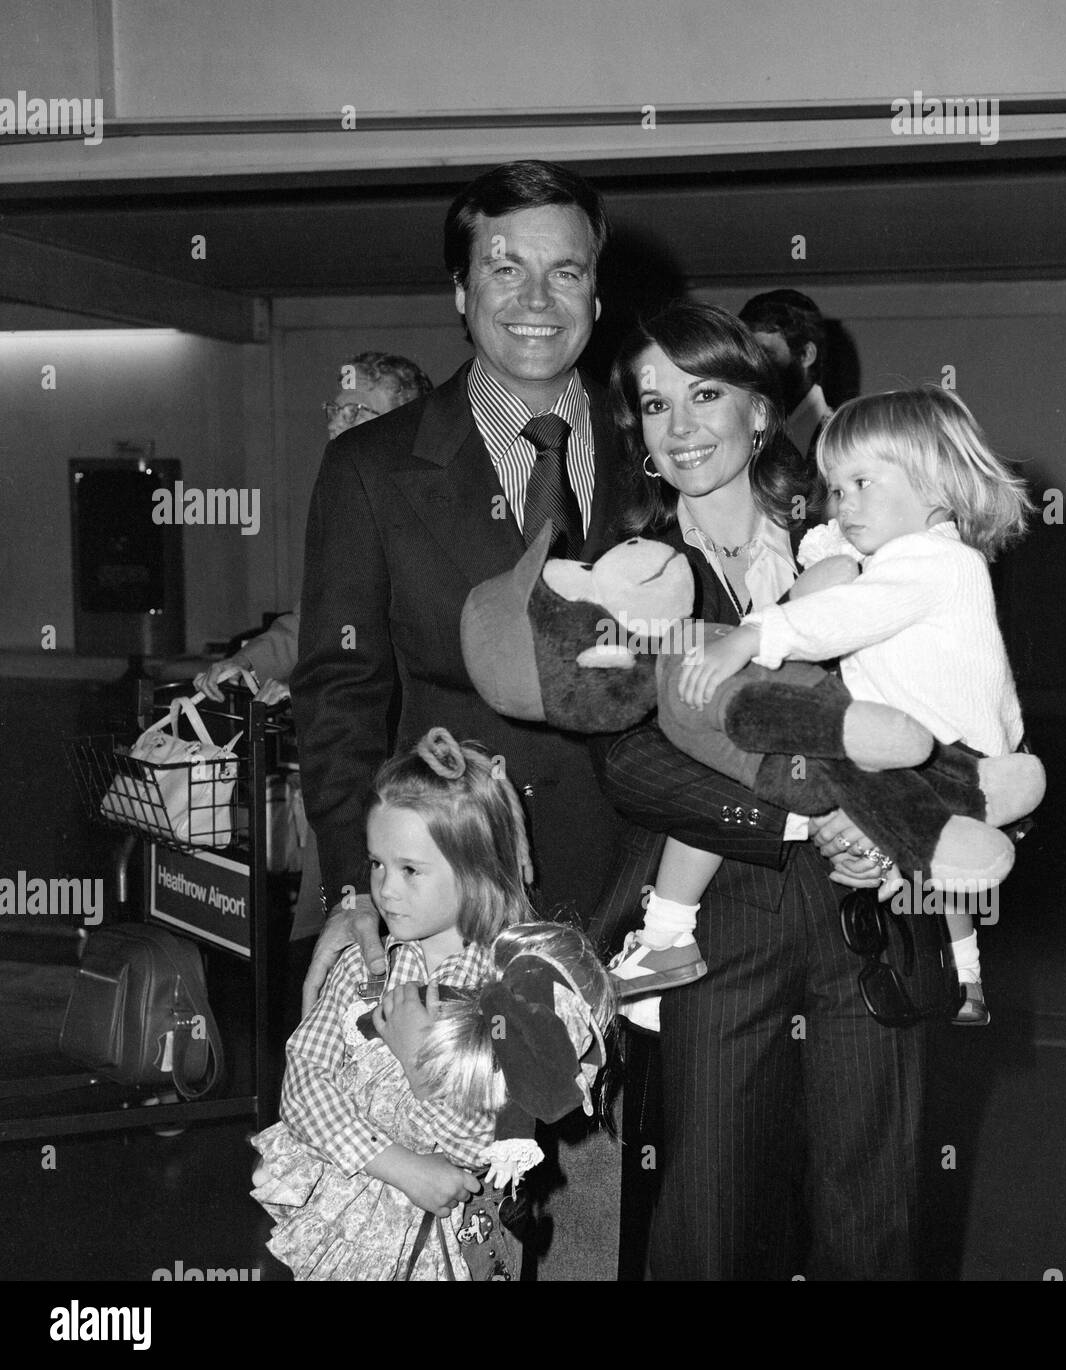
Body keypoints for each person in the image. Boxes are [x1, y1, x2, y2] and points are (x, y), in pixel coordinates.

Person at [291, 161, 628, 1280]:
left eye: (564, 269)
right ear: (459, 289)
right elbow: (342, 694)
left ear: (596, 288)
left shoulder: (658, 458)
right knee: (437, 1216)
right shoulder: (372, 470)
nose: (536, 297)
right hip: (438, 913)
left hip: (620, 900)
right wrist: (354, 886)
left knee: (588, 1201)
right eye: (505, 267)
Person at [586, 299, 922, 1280]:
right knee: (708, 1208)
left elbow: (931, 711)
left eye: (703, 393)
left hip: (861, 912)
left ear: (760, 411)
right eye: (653, 405)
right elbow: (630, 762)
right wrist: (808, 808)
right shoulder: (631, 572)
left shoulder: (855, 534)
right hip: (712, 923)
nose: (680, 425)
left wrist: (886, 820)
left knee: (872, 1203)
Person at [648, 385, 1035, 1026]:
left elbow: (844, 614)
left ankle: (665, 933)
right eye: (836, 487)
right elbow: (837, 559)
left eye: (862, 483)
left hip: (932, 761)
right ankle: (964, 974)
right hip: (943, 761)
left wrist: (753, 634)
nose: (844, 503)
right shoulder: (915, 554)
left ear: (936, 485)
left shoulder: (933, 563)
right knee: (926, 862)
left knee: (759, 733)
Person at [251, 728, 616, 1279]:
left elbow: (487, 1139)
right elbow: (303, 1080)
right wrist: (396, 1165)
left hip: (456, 1241)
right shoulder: (365, 965)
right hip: (356, 1215)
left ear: (477, 870)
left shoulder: (510, 992)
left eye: (410, 870)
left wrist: (419, 1061)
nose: (385, 890)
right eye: (377, 864)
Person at [193, 352, 433, 937]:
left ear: (405, 420)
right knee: (340, 915)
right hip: (349, 767)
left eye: (358, 409)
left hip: (411, 753)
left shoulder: (424, 498)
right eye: (335, 408)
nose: (336, 422)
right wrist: (245, 662)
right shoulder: (346, 490)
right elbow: (317, 620)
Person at [739, 289, 833, 461]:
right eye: (747, 355)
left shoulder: (838, 439)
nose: (752, 367)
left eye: (765, 354)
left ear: (806, 355)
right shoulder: (750, 436)